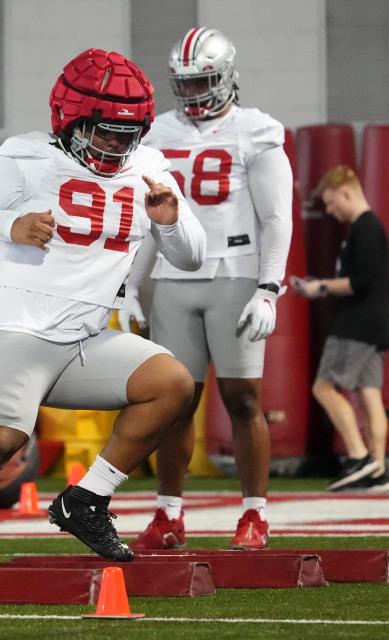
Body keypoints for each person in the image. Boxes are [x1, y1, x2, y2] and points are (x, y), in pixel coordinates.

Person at [0, 48, 205, 569]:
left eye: (127, 134)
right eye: (105, 131)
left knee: (172, 384)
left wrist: (170, 221)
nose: (116, 145)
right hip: (12, 330)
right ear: (72, 120)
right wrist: (9, 226)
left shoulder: (149, 167)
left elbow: (190, 256)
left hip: (82, 340)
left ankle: (86, 499)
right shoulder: (32, 158)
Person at [130, 28, 293, 551]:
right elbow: (147, 221)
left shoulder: (255, 130)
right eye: (185, 83)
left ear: (225, 76)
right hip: (175, 278)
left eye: (202, 81)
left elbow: (276, 217)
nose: (194, 93)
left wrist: (268, 287)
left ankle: (254, 514)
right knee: (174, 401)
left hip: (235, 272)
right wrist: (128, 285)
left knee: (243, 398)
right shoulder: (156, 133)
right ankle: (169, 514)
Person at [290, 165, 389, 492]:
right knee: (368, 394)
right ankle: (377, 471)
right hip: (375, 323)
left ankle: (360, 458)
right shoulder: (367, 228)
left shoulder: (365, 229)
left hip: (357, 323)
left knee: (323, 388)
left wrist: (318, 288)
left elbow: (362, 281)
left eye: (332, 203)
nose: (331, 211)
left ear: (347, 192)